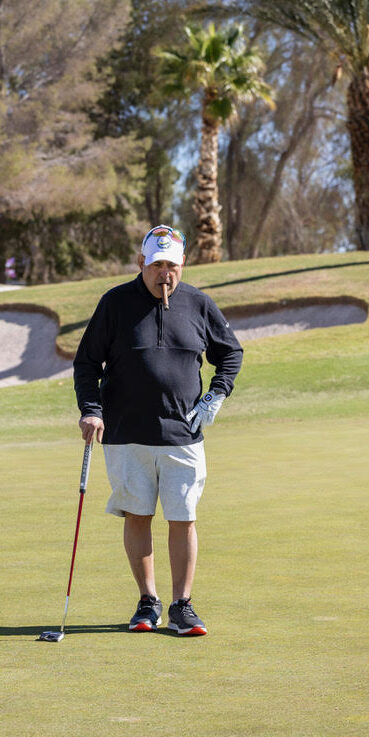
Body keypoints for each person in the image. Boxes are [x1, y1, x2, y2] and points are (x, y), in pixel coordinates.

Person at [73, 225, 242, 636]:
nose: (164, 273)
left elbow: (230, 353)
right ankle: (147, 601)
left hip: (182, 433)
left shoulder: (199, 304)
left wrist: (215, 395)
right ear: (141, 263)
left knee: (183, 517)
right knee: (138, 515)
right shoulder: (115, 303)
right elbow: (87, 362)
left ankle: (182, 605)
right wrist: (91, 410)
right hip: (126, 433)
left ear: (183, 265)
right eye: (156, 265)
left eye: (172, 265)